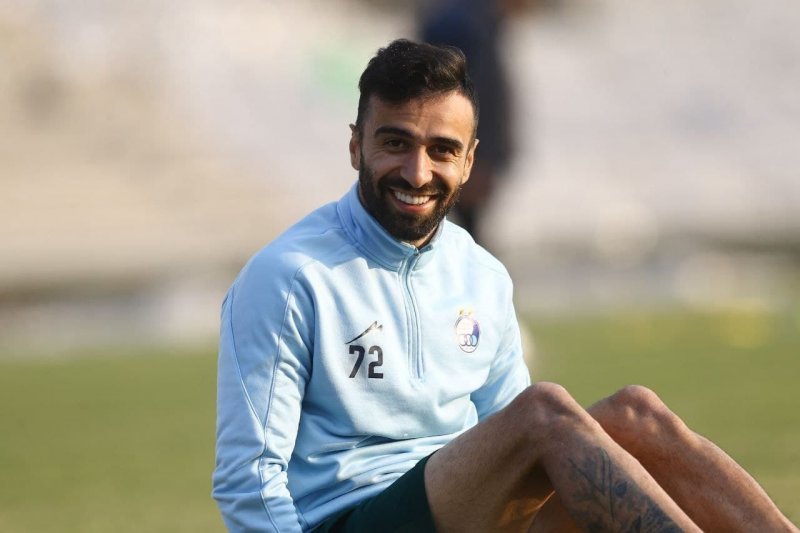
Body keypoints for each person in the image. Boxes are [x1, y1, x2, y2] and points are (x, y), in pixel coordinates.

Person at [212, 39, 796, 532]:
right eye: (395, 143)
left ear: (469, 162)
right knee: (544, 412)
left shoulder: (481, 275)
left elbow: (511, 441)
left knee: (636, 414)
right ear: (355, 146)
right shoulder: (288, 276)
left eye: (441, 150)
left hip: (468, 513)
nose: (417, 172)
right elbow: (248, 479)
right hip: (352, 516)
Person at [417, 0, 521, 245]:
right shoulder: (463, 24)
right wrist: (476, 158)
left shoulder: (475, 20)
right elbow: (464, 98)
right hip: (462, 154)